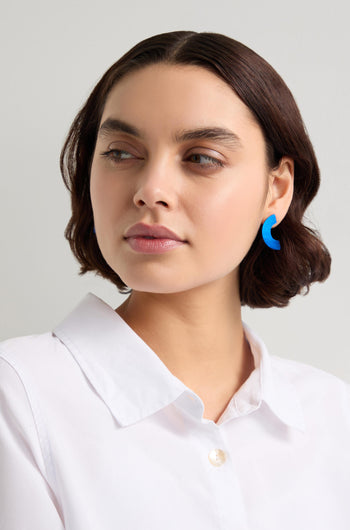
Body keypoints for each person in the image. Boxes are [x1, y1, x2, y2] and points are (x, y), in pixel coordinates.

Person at [0, 30, 349, 530]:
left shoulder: (333, 416)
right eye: (121, 153)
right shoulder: (21, 396)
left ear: (277, 190)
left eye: (201, 158)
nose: (150, 190)